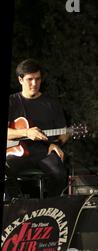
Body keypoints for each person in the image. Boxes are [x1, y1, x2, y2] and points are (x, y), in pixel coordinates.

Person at [6, 59, 68, 200]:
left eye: (38, 79)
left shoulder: (52, 104)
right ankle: (16, 204)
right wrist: (26, 132)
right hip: (16, 153)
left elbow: (64, 132)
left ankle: (51, 205)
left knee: (59, 172)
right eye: (30, 79)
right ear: (20, 80)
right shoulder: (12, 102)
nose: (34, 83)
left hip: (44, 152)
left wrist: (56, 144)